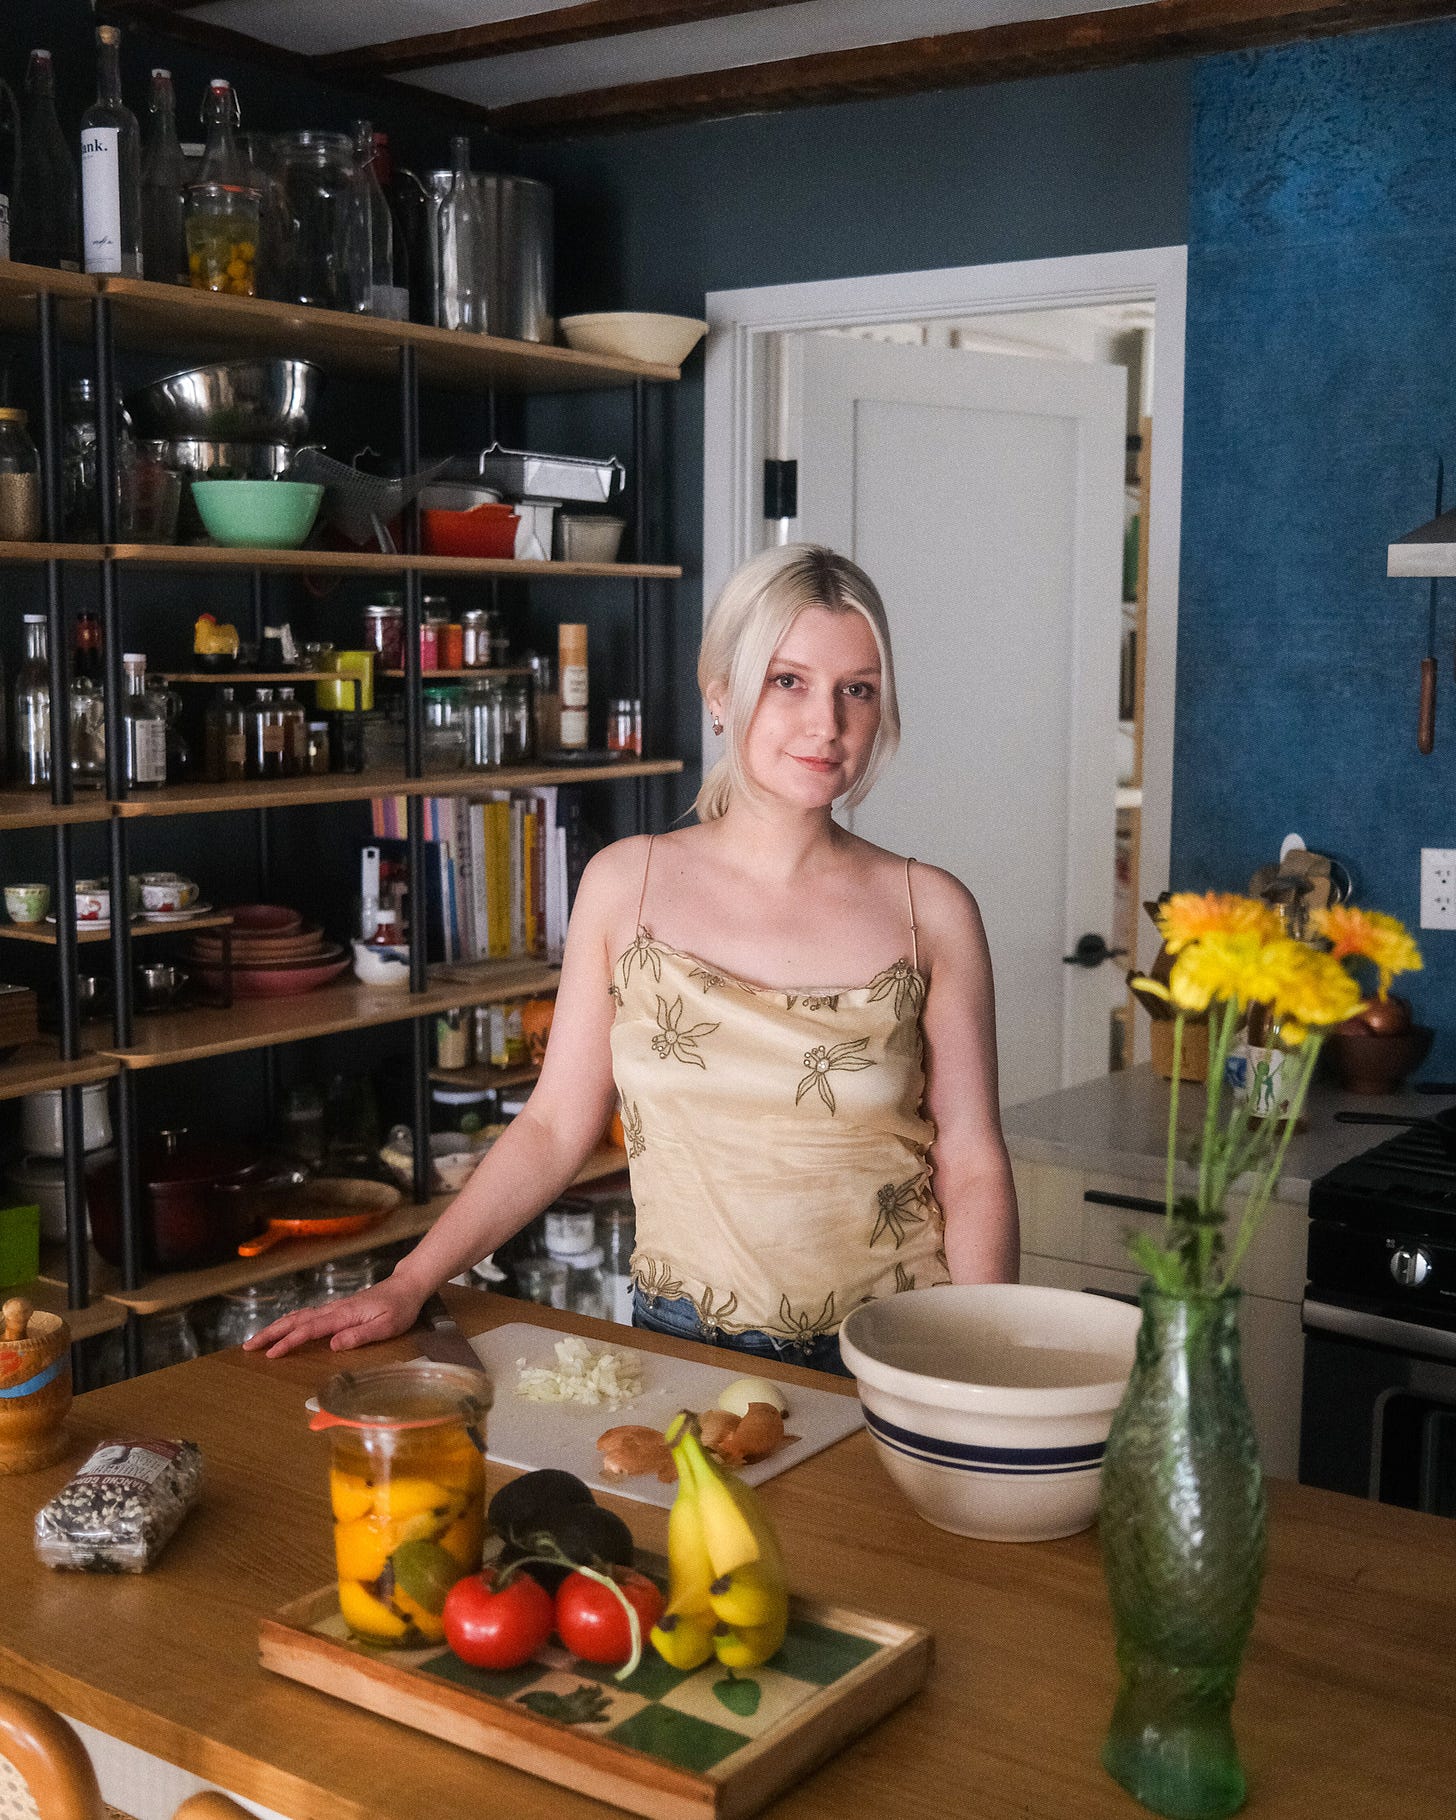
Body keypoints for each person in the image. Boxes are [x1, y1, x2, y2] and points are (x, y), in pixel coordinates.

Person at [247, 544, 1019, 1373]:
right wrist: (409, 1282)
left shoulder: (929, 910)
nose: (825, 723)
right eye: (787, 681)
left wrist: (981, 1363)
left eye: (856, 690)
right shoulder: (628, 884)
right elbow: (550, 1128)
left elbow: (970, 1162)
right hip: (678, 1347)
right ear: (720, 692)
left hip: (896, 1352)